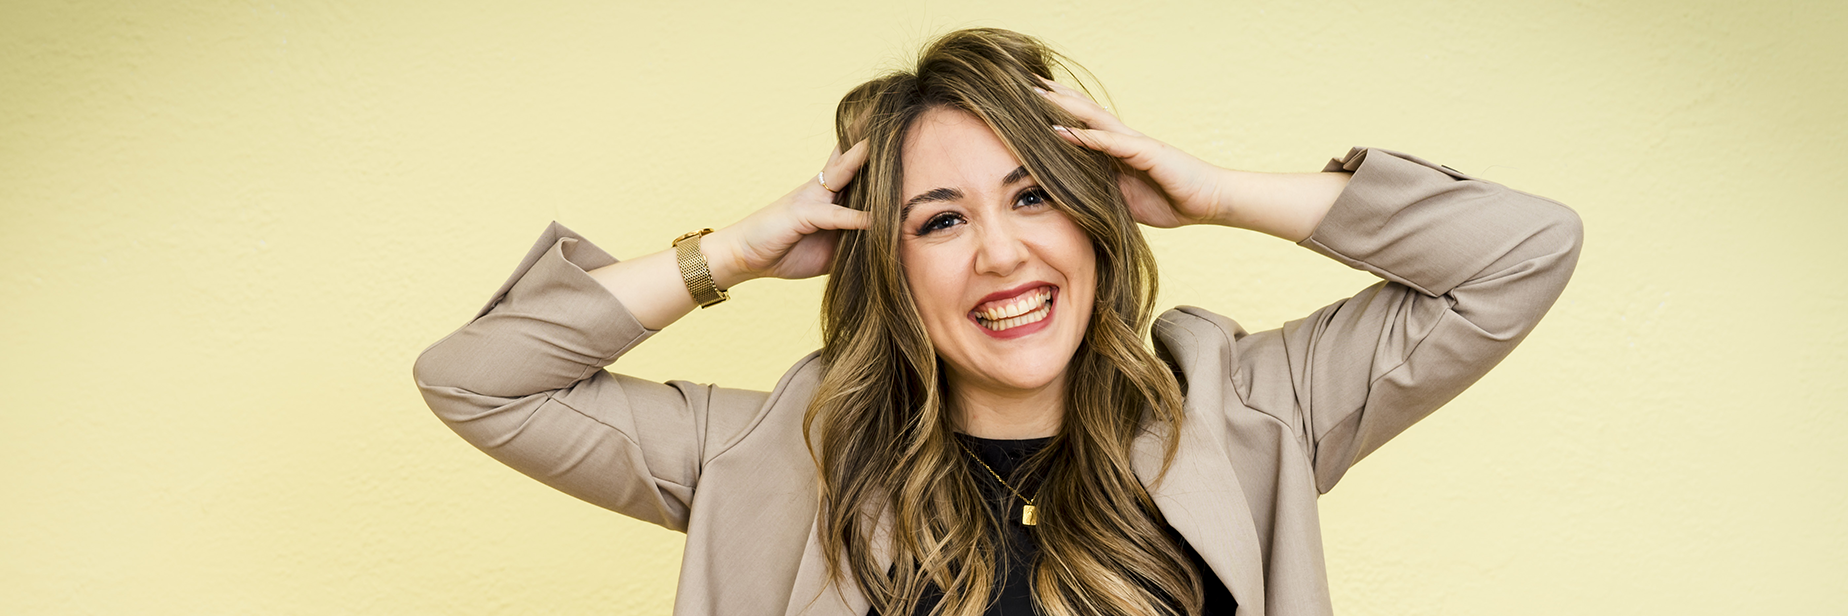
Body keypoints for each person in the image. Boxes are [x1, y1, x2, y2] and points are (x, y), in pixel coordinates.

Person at [413, 28, 1582, 616]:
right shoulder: (776, 454)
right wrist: (738, 249)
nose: (1002, 251)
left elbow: (1522, 252)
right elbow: (477, 379)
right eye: (939, 219)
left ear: (1092, 216)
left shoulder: (1248, 413)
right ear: (889, 264)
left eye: (1033, 196)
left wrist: (1218, 192)